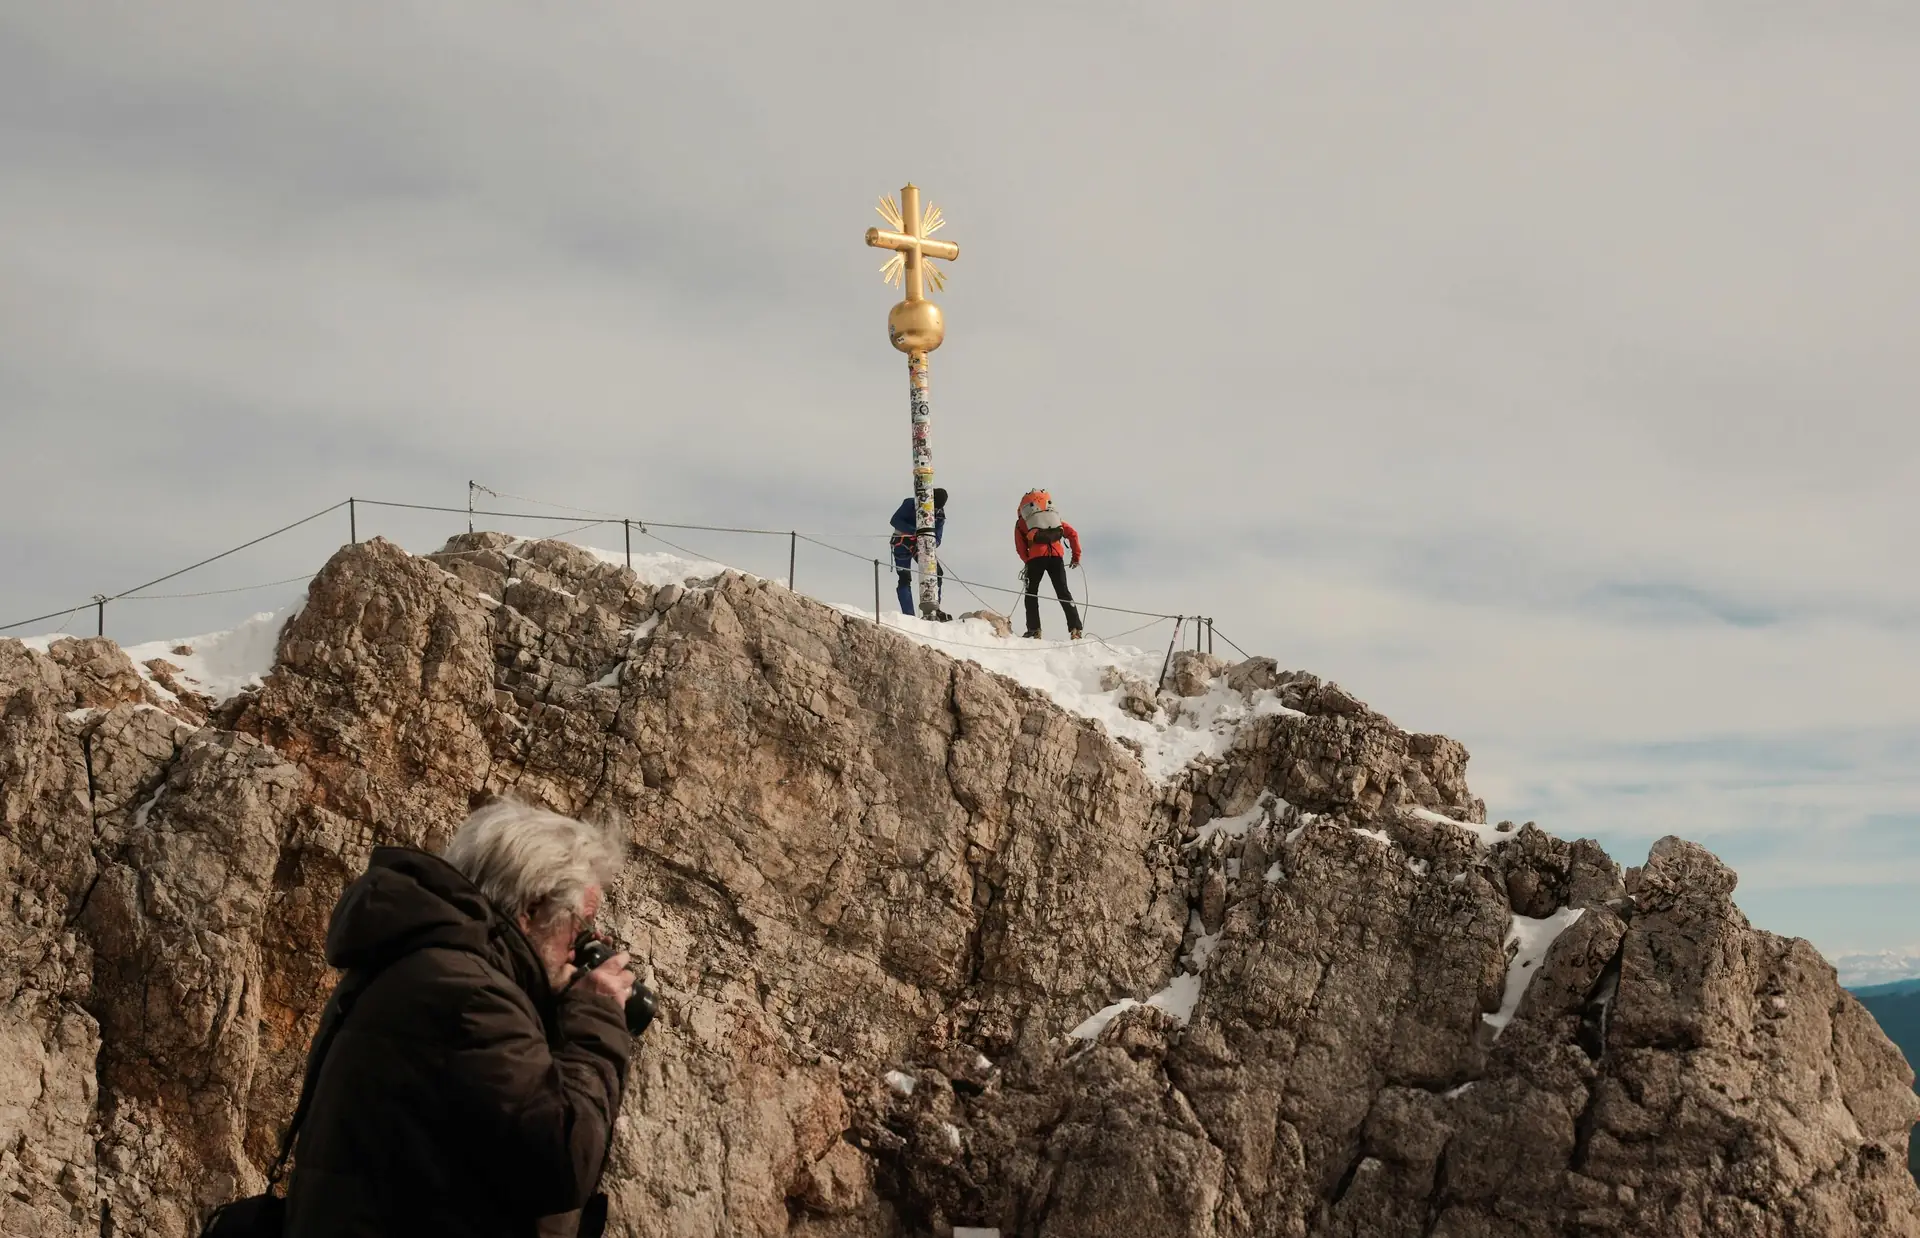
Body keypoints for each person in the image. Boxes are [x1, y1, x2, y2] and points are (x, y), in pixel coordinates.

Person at [282, 799, 638, 1238]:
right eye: (581, 926)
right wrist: (596, 1015)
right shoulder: (471, 995)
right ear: (531, 909)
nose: (584, 946)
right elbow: (560, 1164)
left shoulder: (421, 965)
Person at [1014, 490, 1083, 639]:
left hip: (1035, 559)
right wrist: (1076, 556)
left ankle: (1034, 629)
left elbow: (1020, 548)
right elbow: (1073, 533)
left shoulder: (1023, 522)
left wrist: (1028, 560)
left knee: (1031, 593)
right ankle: (1076, 629)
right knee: (1063, 592)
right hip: (1056, 557)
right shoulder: (1054, 519)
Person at [889, 487, 950, 620]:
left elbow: (938, 537)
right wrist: (916, 531)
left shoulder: (939, 514)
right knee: (905, 578)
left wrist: (930, 541)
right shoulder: (911, 504)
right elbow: (895, 520)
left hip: (921, 544)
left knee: (936, 573)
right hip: (902, 542)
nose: (934, 510)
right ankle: (909, 615)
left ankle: (935, 609)